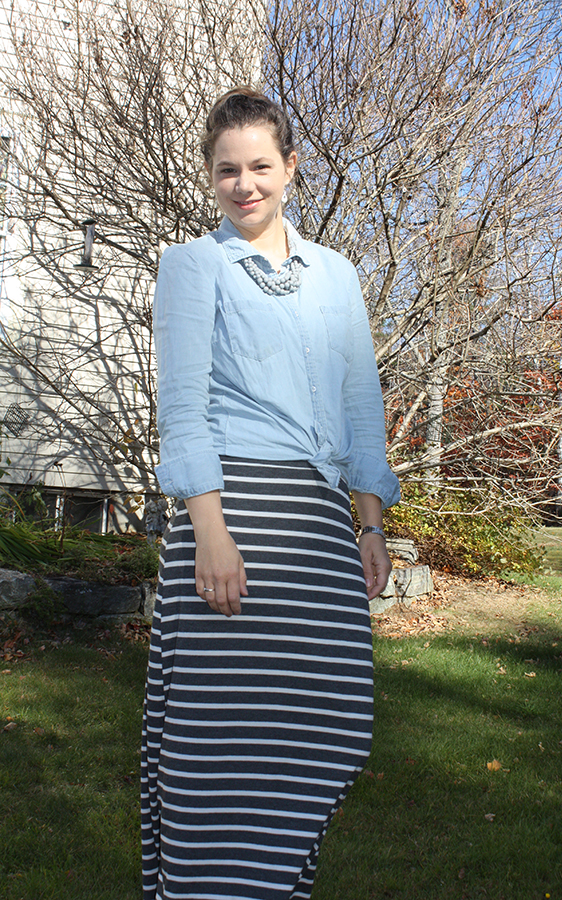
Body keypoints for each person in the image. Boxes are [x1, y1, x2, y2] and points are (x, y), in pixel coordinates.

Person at [141, 86, 401, 900]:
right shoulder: (193, 265)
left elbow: (362, 404)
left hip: (321, 528)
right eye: (227, 170)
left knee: (327, 731)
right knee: (220, 749)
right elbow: (182, 406)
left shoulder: (338, 275)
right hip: (233, 515)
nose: (244, 184)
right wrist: (208, 533)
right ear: (210, 177)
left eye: (260, 166)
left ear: (291, 167)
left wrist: (370, 525)